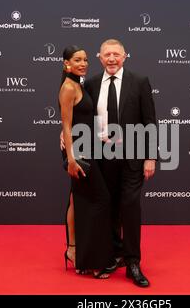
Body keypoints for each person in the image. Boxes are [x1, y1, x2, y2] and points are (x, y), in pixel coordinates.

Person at [84, 39, 157, 287]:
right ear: (99, 57)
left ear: (125, 56)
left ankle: (133, 261)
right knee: (110, 207)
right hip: (104, 156)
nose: (112, 58)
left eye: (116, 54)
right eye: (107, 55)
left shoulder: (139, 81)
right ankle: (115, 254)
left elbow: (150, 121)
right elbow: (81, 115)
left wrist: (150, 156)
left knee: (130, 205)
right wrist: (65, 132)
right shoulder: (92, 84)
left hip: (133, 155)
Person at [59, 45, 114, 279]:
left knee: (79, 200)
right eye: (77, 60)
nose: (83, 64)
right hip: (79, 153)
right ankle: (89, 259)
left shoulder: (79, 84)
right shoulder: (69, 87)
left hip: (87, 148)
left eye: (85, 60)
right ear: (66, 64)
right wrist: (71, 158)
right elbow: (67, 125)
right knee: (100, 200)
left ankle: (77, 255)